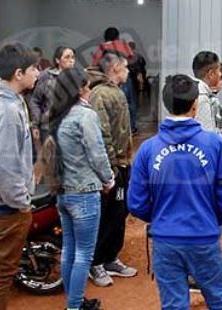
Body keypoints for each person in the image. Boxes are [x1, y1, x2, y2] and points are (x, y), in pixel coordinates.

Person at [128, 75, 222, 309]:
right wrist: (210, 219)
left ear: (166, 103)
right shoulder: (215, 144)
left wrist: (160, 216)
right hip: (204, 236)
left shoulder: (148, 149)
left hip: (165, 239)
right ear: (195, 105)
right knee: (219, 299)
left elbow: (136, 202)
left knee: (174, 305)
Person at [40, 68, 114, 310]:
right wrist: (109, 179)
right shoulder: (85, 115)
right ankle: (74, 306)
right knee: (84, 254)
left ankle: (74, 302)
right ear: (80, 89)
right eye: (88, 86)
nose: (90, 90)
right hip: (84, 193)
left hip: (62, 192)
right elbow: (97, 154)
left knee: (70, 250)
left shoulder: (56, 116)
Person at [0, 44, 39, 310]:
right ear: (18, 73)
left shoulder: (1, 100)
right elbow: (5, 166)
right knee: (1, 274)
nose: (37, 73)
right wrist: (20, 201)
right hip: (4, 206)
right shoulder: (6, 110)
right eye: (33, 68)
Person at [87, 53, 136, 286]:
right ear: (115, 68)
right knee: (106, 214)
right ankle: (95, 262)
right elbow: (102, 135)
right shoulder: (100, 94)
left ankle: (110, 258)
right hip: (111, 169)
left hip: (122, 165)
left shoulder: (115, 91)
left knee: (119, 212)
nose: (129, 71)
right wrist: (111, 168)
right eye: (125, 67)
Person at [191, 52, 222, 273]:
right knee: (212, 216)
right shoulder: (201, 99)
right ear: (211, 73)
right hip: (209, 170)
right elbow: (208, 138)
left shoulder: (205, 96)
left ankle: (211, 258)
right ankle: (202, 264)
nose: (221, 75)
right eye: (219, 71)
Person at [91, 28, 137, 133]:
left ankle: (117, 129)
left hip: (109, 79)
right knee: (130, 102)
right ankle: (132, 127)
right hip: (124, 76)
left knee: (113, 105)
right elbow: (132, 59)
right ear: (117, 36)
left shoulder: (102, 47)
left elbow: (94, 64)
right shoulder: (123, 45)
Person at [29, 46, 76, 143]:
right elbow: (35, 100)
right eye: (67, 57)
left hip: (71, 127)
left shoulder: (77, 78)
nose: (71, 60)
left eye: (72, 57)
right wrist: (35, 124)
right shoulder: (47, 77)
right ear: (58, 60)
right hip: (49, 127)